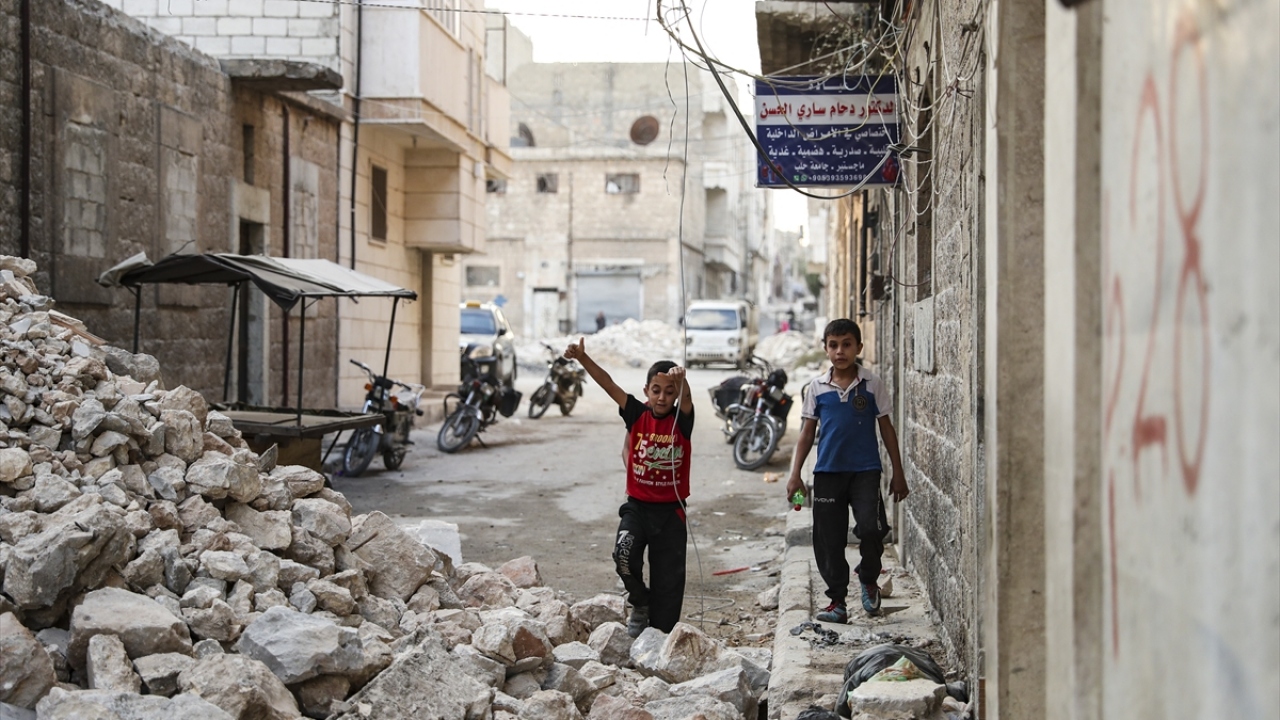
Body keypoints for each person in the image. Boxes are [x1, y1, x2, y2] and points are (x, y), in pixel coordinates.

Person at [564, 337, 694, 637]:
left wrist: (683, 382)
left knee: (669, 583)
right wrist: (583, 358)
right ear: (646, 391)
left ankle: (660, 636)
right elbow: (608, 384)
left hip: (671, 514)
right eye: (656, 390)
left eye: (669, 392)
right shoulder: (636, 412)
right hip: (637, 508)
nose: (662, 397)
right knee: (623, 556)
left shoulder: (681, 421)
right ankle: (639, 602)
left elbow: (687, 400)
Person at [785, 319, 908, 622]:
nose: (840, 351)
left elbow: (887, 428)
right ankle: (837, 602)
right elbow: (806, 433)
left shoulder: (871, 384)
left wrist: (899, 471)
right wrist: (795, 473)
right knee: (829, 539)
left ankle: (868, 577)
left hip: (866, 471)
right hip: (827, 472)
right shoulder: (816, 387)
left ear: (858, 348)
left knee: (871, 528)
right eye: (834, 345)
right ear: (826, 348)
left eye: (847, 344)